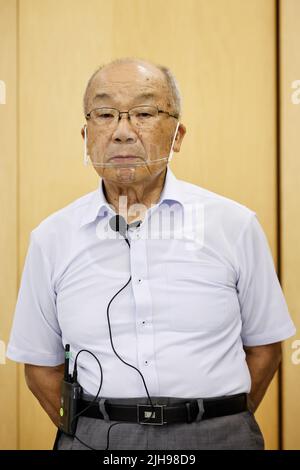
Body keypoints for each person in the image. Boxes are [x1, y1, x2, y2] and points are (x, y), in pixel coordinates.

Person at [7, 58, 296, 450]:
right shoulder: (52, 237)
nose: (122, 132)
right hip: (98, 436)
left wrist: (214, 422)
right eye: (105, 114)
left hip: (218, 434)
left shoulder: (234, 225)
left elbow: (264, 349)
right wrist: (87, 430)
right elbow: (40, 367)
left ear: (177, 136)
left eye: (144, 113)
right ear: (86, 135)